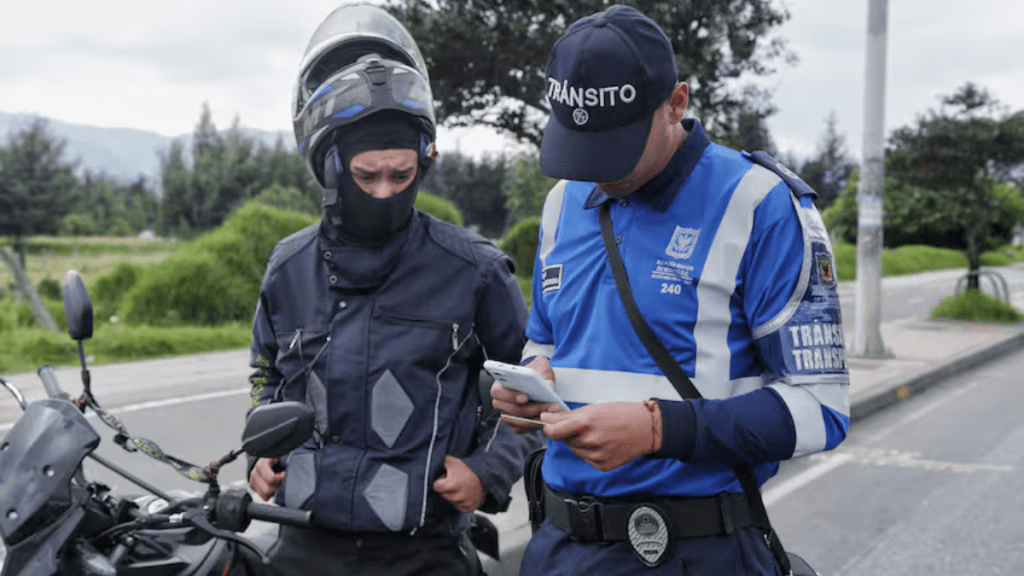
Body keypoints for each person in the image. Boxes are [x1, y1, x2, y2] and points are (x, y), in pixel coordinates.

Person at [491, 5, 849, 575]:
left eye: (616, 145)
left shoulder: (759, 203)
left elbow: (820, 410)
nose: (595, 171)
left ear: (676, 102)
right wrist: (531, 381)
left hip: (692, 551)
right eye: (580, 145)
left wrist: (659, 429)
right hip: (559, 546)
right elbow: (549, 341)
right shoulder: (562, 202)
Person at [246, 5, 538, 575]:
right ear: (329, 166)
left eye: (400, 175)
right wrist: (262, 450)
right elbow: (267, 372)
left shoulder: (476, 270)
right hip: (304, 544)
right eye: (367, 175)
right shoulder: (288, 267)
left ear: (424, 163)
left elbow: (534, 392)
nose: (384, 192)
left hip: (424, 551)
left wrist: (489, 471)